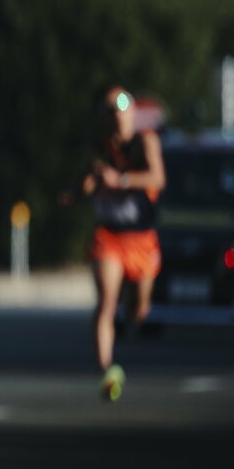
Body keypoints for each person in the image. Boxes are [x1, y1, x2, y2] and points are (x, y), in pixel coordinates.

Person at [81, 86, 164, 402]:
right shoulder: (100, 147)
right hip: (110, 237)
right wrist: (81, 190)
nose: (118, 117)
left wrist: (123, 180)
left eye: (122, 109)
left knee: (139, 312)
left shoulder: (145, 142)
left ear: (132, 113)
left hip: (141, 239)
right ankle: (107, 369)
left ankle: (134, 301)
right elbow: (88, 180)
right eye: (111, 111)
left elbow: (158, 179)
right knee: (106, 302)